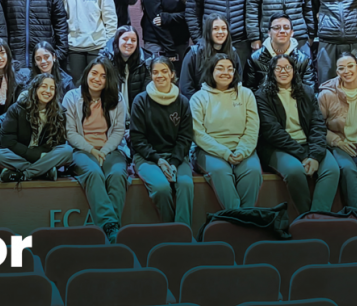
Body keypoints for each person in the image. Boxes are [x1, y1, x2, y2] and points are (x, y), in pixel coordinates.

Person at [256, 53, 340, 214]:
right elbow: (273, 132)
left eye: (288, 67)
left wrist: (314, 156)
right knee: (295, 171)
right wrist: (303, 156)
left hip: (309, 145)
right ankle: (306, 216)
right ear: (272, 71)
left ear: (294, 70)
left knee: (332, 170)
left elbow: (317, 125)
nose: (283, 71)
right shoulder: (262, 96)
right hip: (278, 148)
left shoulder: (307, 92)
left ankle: (318, 216)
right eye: (278, 68)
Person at [63, 59, 128, 240]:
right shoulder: (71, 97)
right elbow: (70, 132)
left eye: (103, 76)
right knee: (94, 173)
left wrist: (105, 150)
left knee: (117, 175)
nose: (97, 79)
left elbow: (118, 130)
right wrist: (92, 150)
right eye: (94, 73)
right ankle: (110, 227)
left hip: (110, 150)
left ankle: (111, 232)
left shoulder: (117, 99)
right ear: (86, 74)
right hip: (82, 150)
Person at [190, 53, 261, 210]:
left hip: (242, 149)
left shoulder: (246, 94)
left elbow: (252, 128)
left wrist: (242, 151)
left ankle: (246, 214)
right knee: (220, 171)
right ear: (211, 71)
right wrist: (224, 153)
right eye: (220, 68)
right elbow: (198, 133)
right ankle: (236, 216)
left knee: (253, 171)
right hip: (209, 150)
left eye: (230, 69)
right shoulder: (198, 98)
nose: (225, 73)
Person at [129, 55, 194, 226]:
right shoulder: (140, 101)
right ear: (150, 75)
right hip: (147, 157)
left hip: (176, 156)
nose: (160, 76)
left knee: (186, 185)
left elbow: (185, 137)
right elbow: (137, 138)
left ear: (172, 74)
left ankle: (183, 234)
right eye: (155, 72)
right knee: (161, 188)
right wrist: (158, 160)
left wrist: (173, 162)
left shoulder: (183, 102)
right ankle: (171, 231)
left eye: (164, 71)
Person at [317, 52, 357, 219]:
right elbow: (318, 127)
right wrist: (337, 142)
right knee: (348, 170)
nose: (346, 71)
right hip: (340, 144)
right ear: (337, 72)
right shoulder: (326, 94)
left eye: (350, 66)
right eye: (341, 68)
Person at [0, 73, 73, 183]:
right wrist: (34, 155)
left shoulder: (60, 113)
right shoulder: (16, 109)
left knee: (67, 151)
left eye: (52, 88)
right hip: (23, 155)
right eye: (44, 86)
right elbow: (7, 141)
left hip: (44, 155)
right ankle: (44, 171)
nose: (48, 91)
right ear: (35, 88)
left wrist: (40, 154)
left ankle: (24, 174)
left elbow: (58, 142)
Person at [61, 0, 117, 81]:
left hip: (97, 46)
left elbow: (110, 19)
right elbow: (61, 18)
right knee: (77, 85)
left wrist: (106, 43)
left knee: (97, 82)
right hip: (74, 47)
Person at [244, 13, 316, 93]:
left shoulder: (304, 60)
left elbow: (309, 92)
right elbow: (249, 92)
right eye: (276, 28)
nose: (282, 31)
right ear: (269, 33)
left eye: (286, 27)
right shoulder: (254, 59)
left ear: (292, 33)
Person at [179, 14, 240, 100]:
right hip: (200, 104)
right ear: (208, 31)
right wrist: (199, 104)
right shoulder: (194, 53)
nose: (220, 32)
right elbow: (186, 87)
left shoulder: (233, 53)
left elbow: (237, 82)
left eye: (224, 28)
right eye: (215, 29)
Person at [103, 25, 147, 111]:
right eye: (125, 39)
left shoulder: (146, 62)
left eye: (133, 40)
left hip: (136, 115)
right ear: (117, 41)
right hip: (111, 114)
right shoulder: (105, 61)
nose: (129, 42)